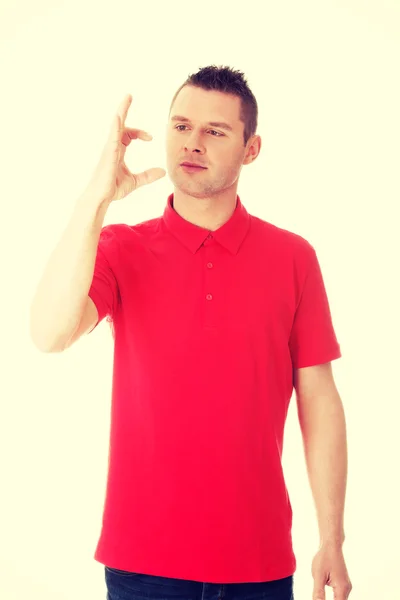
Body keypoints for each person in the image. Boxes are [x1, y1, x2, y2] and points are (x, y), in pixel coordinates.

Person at [30, 65, 352, 600]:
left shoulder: (294, 257)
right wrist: (96, 200)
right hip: (141, 565)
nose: (192, 143)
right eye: (180, 126)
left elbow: (318, 398)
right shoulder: (118, 247)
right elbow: (48, 334)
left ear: (251, 150)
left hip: (259, 562)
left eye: (215, 131)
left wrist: (332, 537)